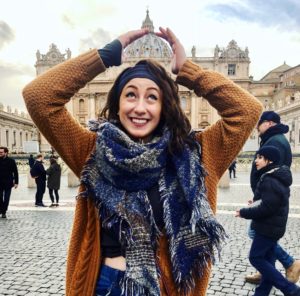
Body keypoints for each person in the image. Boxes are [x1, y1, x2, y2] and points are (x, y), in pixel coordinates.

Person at [23, 27, 262, 296]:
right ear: (117, 102)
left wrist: (188, 71)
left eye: (152, 97)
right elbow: (39, 97)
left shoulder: (199, 152)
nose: (140, 107)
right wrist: (104, 56)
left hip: (167, 289)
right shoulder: (92, 150)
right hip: (105, 285)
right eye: (131, 94)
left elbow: (247, 111)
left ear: (166, 105)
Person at [236, 146, 300, 296]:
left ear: (269, 160)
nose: (256, 161)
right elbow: (270, 201)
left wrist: (244, 212)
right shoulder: (275, 176)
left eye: (259, 157)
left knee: (256, 257)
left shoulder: (270, 179)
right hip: (272, 226)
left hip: (267, 228)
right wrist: (255, 201)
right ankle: (262, 292)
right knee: (268, 260)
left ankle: (291, 290)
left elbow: (267, 208)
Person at [245, 111, 300, 284]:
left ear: (268, 123)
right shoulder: (275, 139)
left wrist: (261, 196)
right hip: (267, 195)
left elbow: (272, 172)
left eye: (259, 123)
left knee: (256, 232)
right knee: (262, 234)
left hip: (268, 197)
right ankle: (266, 273)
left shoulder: (275, 141)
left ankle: (289, 263)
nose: (256, 127)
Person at [0, 147, 19, 218]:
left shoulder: (11, 161)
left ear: (6, 153)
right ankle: (2, 209)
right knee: (0, 198)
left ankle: (3, 211)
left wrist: (16, 182)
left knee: (7, 198)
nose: (0, 154)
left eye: (1, 152)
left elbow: (15, 172)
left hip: (8, 182)